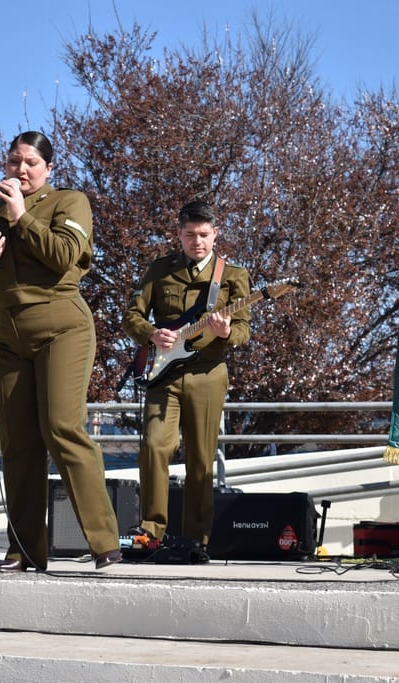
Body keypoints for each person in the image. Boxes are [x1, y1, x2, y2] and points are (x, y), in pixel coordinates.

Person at [0, 130, 122, 572]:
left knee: (61, 427)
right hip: (7, 338)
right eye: (13, 162)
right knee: (18, 444)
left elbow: (64, 255)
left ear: (48, 168)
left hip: (61, 328)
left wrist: (22, 215)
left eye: (30, 163)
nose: (20, 170)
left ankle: (104, 542)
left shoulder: (69, 202)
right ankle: (25, 550)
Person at [121, 200, 252, 554]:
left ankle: (197, 538)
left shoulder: (233, 276)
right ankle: (151, 532)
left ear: (216, 234)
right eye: (190, 235)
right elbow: (131, 316)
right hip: (163, 374)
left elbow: (243, 330)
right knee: (153, 446)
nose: (198, 242)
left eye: (204, 235)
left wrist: (226, 333)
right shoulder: (160, 269)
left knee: (200, 457)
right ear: (179, 234)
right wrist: (151, 333)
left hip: (208, 373)